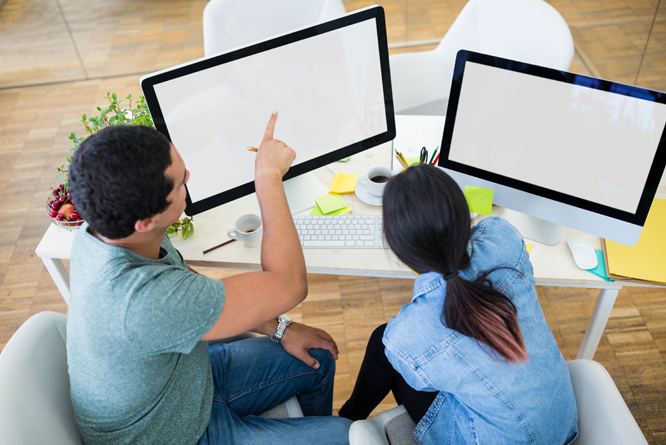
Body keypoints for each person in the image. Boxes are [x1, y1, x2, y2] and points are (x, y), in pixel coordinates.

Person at [66, 112, 352, 445]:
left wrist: (281, 328)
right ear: (146, 220)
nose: (190, 175)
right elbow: (290, 285)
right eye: (180, 181)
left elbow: (182, 280)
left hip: (186, 384)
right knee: (345, 436)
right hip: (170, 435)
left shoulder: (107, 229)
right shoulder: (142, 301)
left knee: (318, 358)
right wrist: (268, 175)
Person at [339, 164, 578, 445]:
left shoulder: (406, 336)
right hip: (562, 422)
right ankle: (345, 420)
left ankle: (344, 424)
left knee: (383, 345)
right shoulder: (505, 239)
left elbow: (420, 381)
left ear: (397, 248)